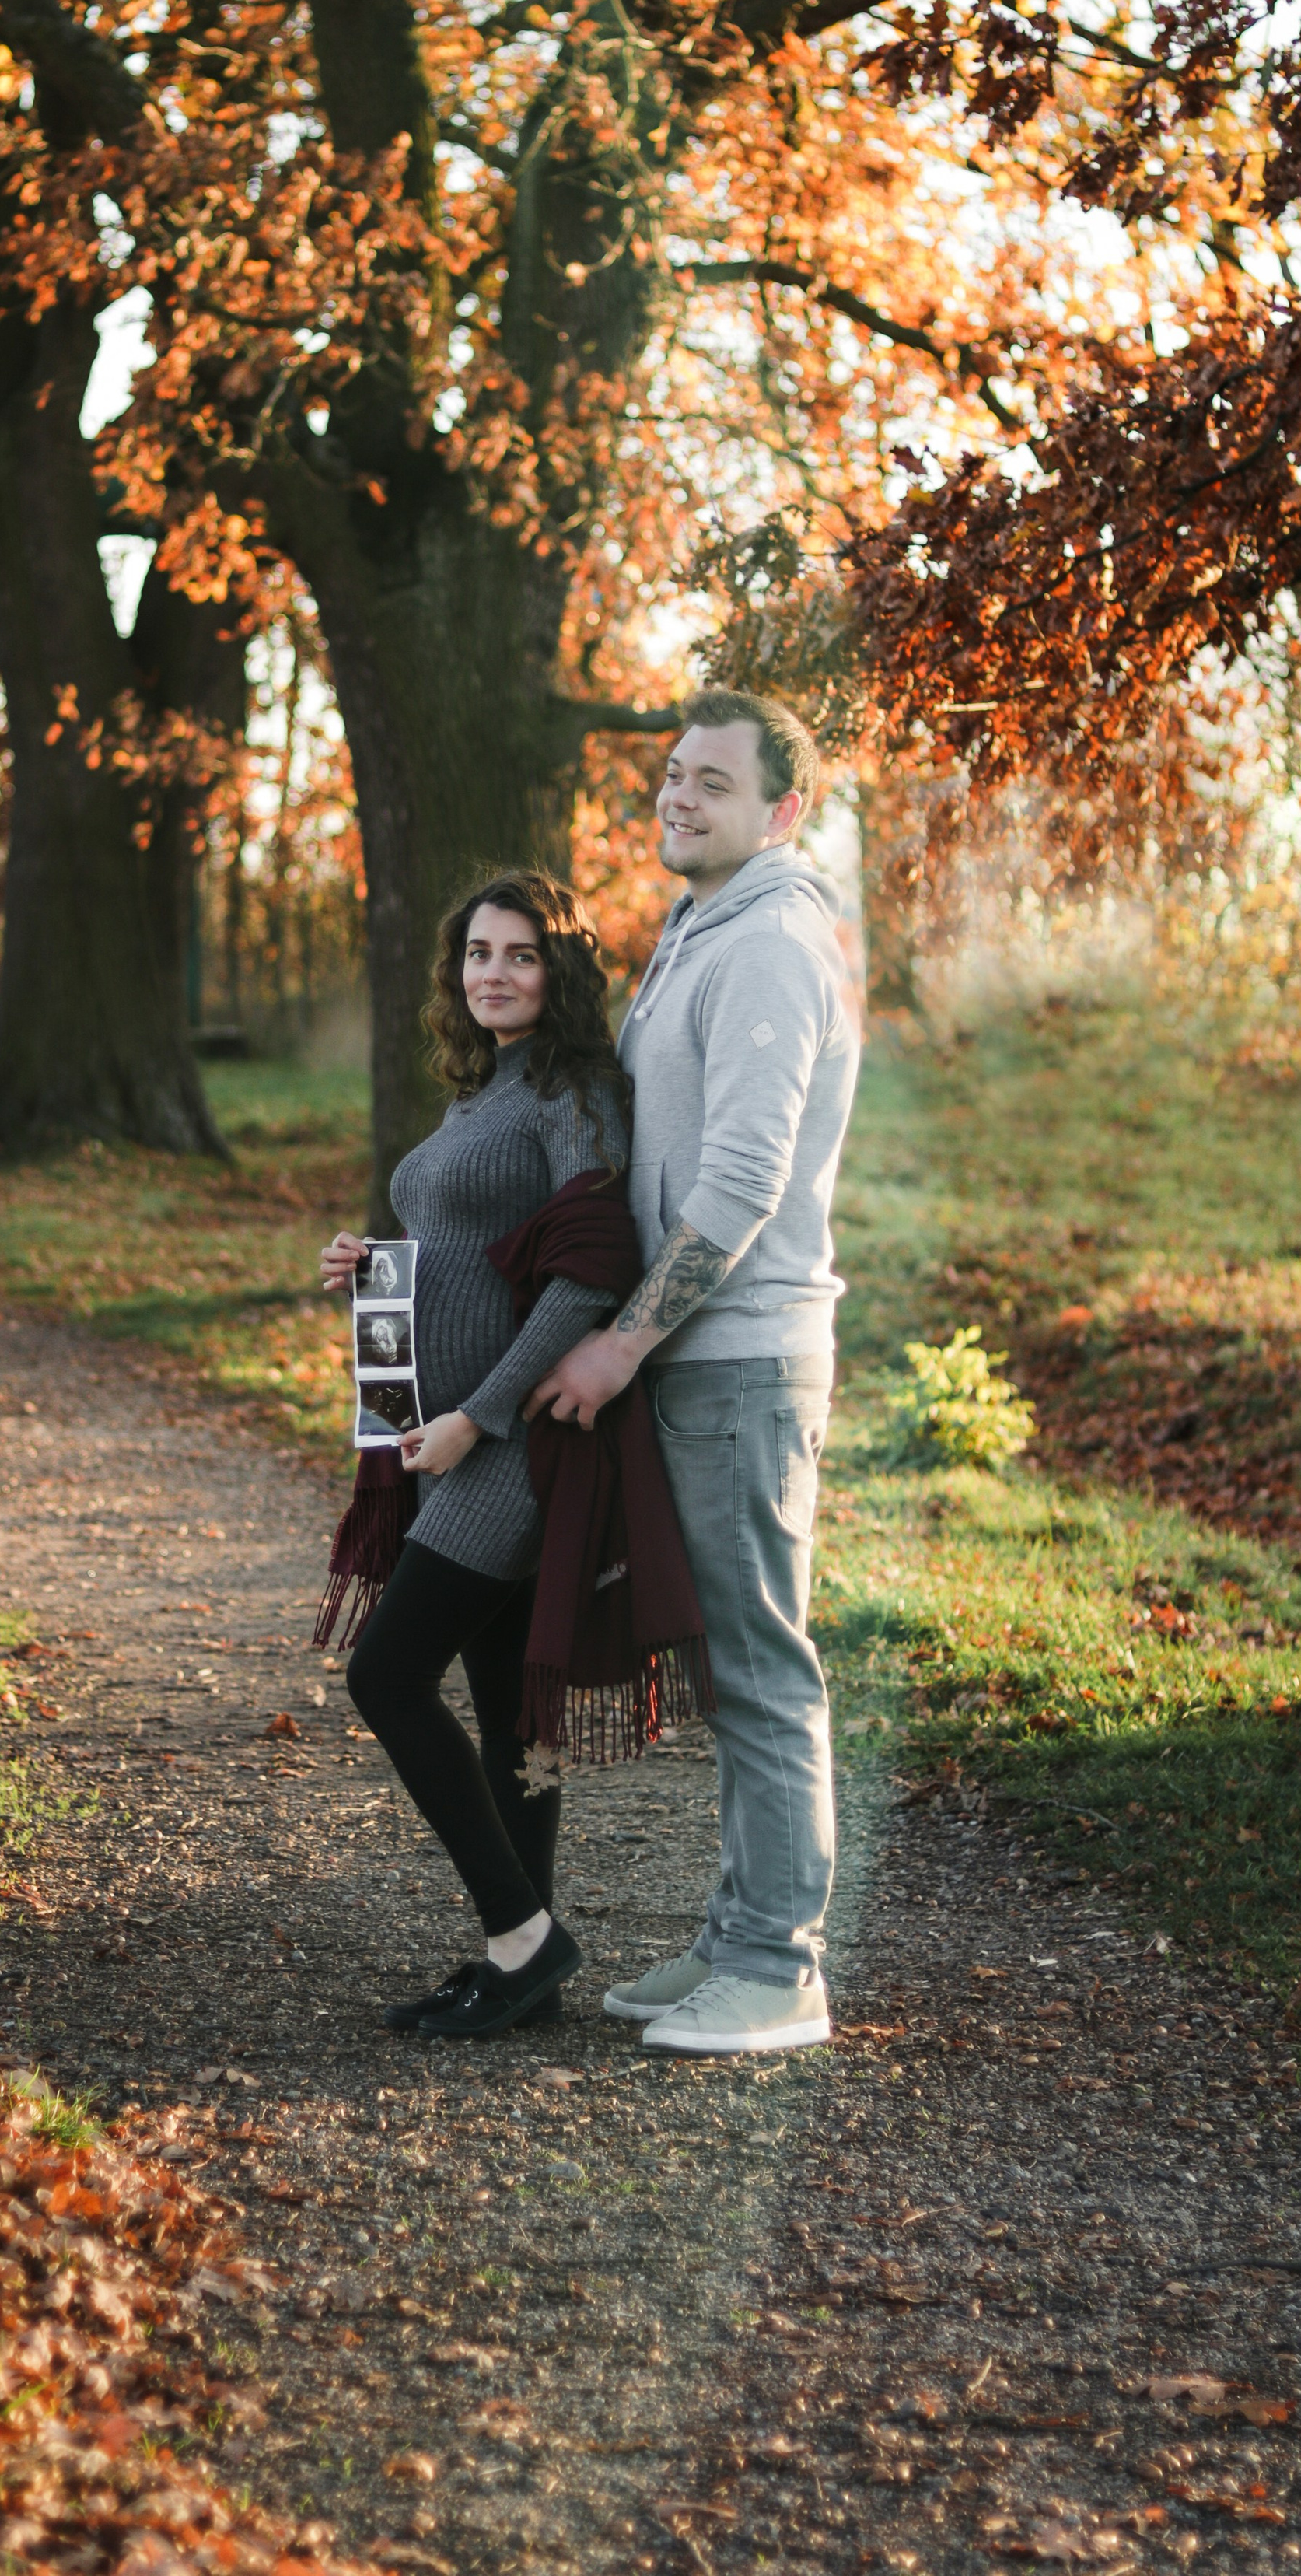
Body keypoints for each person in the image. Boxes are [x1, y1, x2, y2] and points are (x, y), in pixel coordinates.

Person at [531, 689, 859, 2057]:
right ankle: (734, 1938)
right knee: (730, 1661)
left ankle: (781, 1971)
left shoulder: (774, 939)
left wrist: (623, 1340)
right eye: (673, 775)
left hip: (740, 1358)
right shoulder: (700, 928)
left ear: (782, 813)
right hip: (700, 1358)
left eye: (712, 783)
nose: (678, 797)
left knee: (763, 1666)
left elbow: (739, 1183)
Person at [317, 872, 631, 2039]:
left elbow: (589, 1275)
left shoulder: (572, 1091)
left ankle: (523, 1932)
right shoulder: (482, 1090)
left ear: (561, 973)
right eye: (478, 953)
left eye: (521, 955)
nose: (492, 973)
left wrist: (479, 1418)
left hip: (515, 1445)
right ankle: (526, 1976)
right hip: (449, 1433)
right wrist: (376, 1265)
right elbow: (462, 1245)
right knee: (507, 1710)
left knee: (387, 1675)